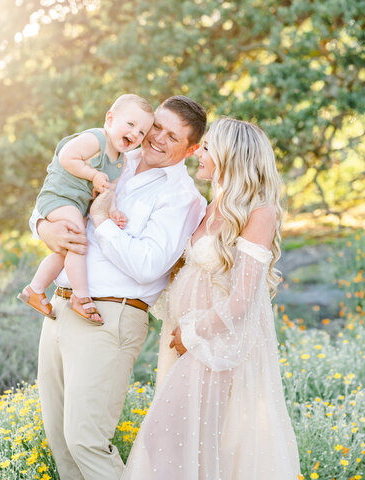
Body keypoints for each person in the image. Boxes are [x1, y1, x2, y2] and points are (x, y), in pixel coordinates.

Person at [30, 95, 207, 480]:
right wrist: (45, 229)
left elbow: (148, 266)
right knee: (60, 442)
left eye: (171, 136)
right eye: (155, 126)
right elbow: (51, 193)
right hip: (60, 307)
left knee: (86, 442)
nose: (156, 138)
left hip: (110, 316)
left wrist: (99, 218)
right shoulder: (111, 152)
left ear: (191, 149)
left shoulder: (182, 198)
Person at [122, 117, 302, 480]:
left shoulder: (258, 211)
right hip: (186, 341)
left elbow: (244, 298)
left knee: (163, 435)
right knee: (189, 443)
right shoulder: (211, 205)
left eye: (206, 148)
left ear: (228, 154)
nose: (198, 154)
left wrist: (191, 335)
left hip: (216, 345)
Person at [19, 94, 154, 324]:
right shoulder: (96, 139)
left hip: (76, 205)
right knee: (79, 242)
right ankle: (80, 297)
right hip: (60, 196)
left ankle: (35, 288)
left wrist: (113, 211)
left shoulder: (120, 161)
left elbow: (107, 191)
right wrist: (92, 174)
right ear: (110, 119)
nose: (135, 133)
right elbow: (66, 157)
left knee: (67, 249)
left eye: (142, 132)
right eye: (130, 124)